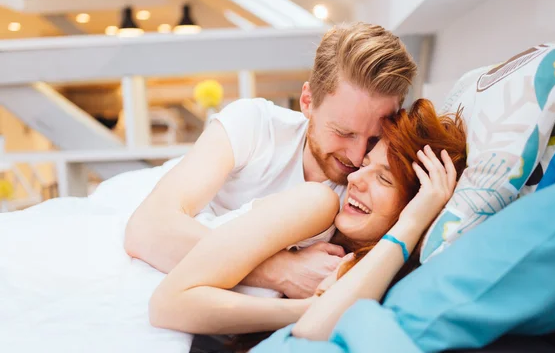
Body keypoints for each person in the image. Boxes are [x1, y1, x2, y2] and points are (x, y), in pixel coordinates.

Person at [124, 22, 417, 300]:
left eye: (375, 138)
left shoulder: (365, 197)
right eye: (343, 132)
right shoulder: (255, 125)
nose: (356, 157)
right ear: (307, 102)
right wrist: (282, 270)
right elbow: (147, 230)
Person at [148, 98, 468, 337]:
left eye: (383, 179)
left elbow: (317, 327)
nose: (355, 177)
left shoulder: (365, 263)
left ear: (416, 203)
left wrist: (412, 224)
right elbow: (168, 304)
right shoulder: (317, 202)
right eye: (365, 165)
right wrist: (300, 306)